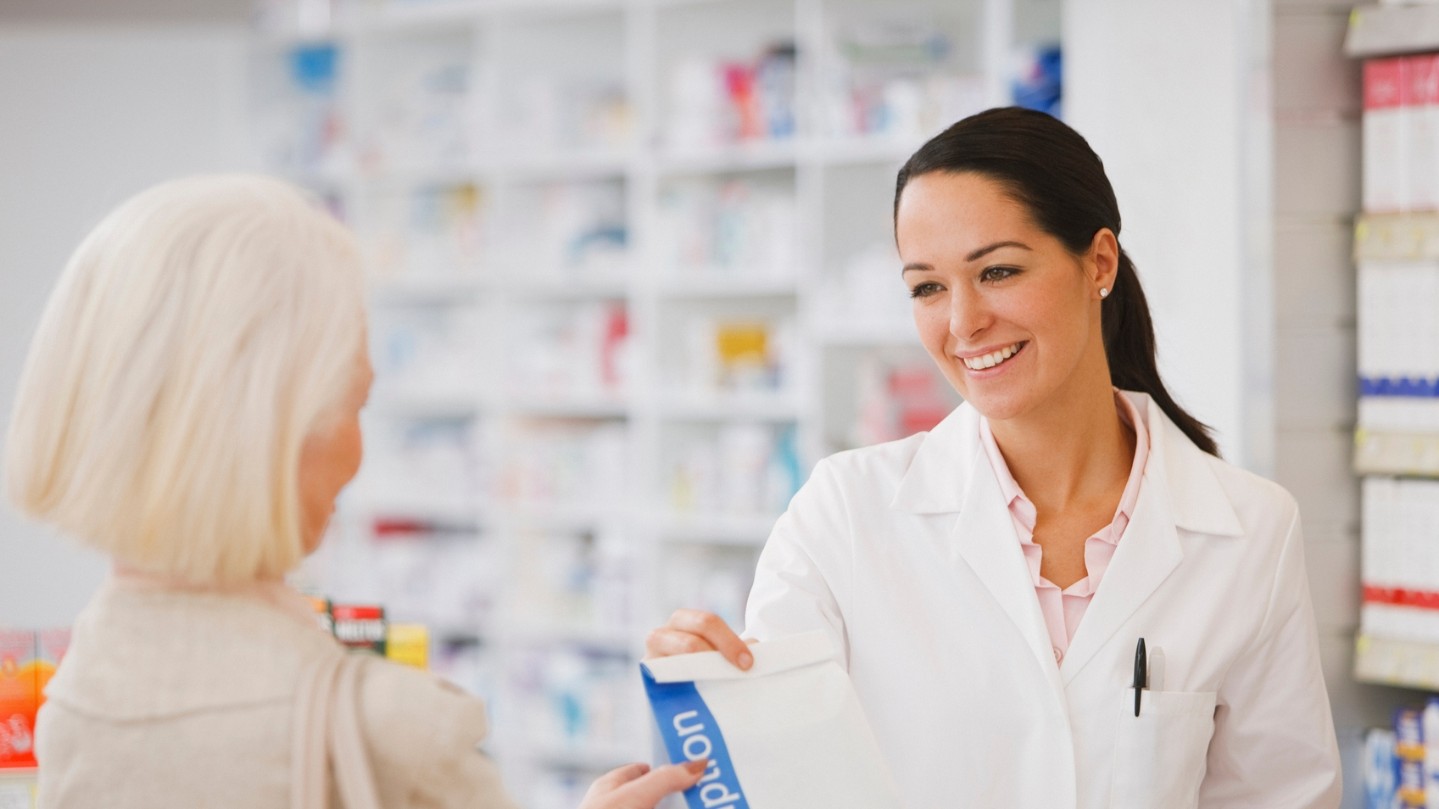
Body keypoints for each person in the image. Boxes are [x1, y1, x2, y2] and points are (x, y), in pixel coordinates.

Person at [646, 107, 1342, 808]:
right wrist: (713, 709)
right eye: (927, 287)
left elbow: (1282, 796)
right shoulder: (843, 514)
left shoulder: (1248, 529)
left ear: (1097, 262)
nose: (962, 323)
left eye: (998, 270)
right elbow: (779, 788)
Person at [4, 175, 705, 809]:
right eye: (354, 404)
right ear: (278, 433)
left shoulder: (72, 698)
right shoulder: (384, 728)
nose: (356, 453)